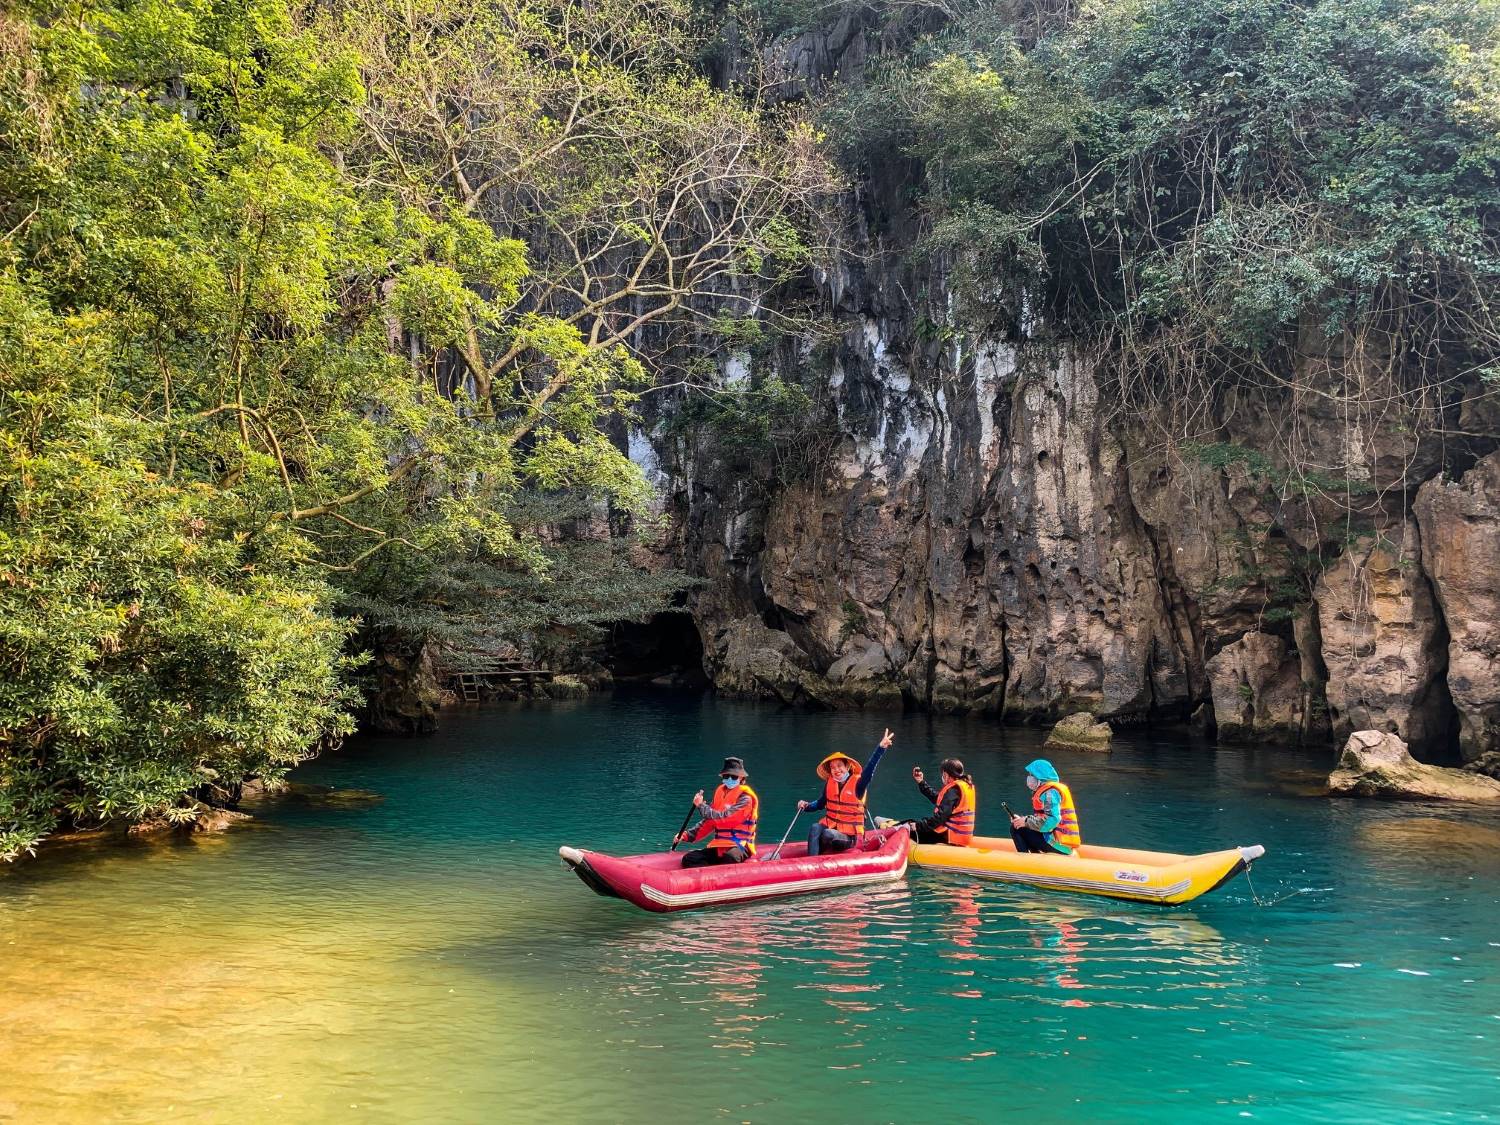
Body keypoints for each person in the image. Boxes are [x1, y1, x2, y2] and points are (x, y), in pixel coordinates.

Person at [797, 728, 895, 856]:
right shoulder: (830, 783)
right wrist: (806, 806)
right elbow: (820, 804)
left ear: (847, 767)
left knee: (827, 833)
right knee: (815, 827)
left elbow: (869, 770)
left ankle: (818, 857)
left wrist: (880, 748)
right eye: (832, 767)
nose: (836, 770)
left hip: (849, 837)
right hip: (832, 828)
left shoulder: (858, 784)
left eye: (839, 766)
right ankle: (811, 862)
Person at [676, 757, 759, 868]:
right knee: (690, 858)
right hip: (720, 845)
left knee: (730, 857)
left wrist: (701, 806)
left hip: (740, 845)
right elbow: (709, 822)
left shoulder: (745, 799)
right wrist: (686, 835)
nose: (730, 779)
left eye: (734, 777)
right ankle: (708, 876)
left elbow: (725, 819)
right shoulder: (720, 793)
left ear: (741, 778)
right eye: (726, 776)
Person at [1008, 758, 1080, 856]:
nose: (1029, 777)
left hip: (1057, 844)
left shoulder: (1050, 793)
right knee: (1019, 825)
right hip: (1059, 842)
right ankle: (1034, 856)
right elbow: (1043, 818)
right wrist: (1022, 820)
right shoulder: (1049, 791)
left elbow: (1053, 819)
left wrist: (1026, 822)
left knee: (1015, 828)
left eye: (1032, 775)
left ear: (1040, 776)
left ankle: (1025, 860)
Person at [906, 758, 977, 845]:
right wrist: (921, 782)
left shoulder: (953, 790)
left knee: (906, 827)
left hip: (949, 836)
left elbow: (939, 818)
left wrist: (918, 826)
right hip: (962, 836)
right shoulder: (966, 786)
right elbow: (939, 799)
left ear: (946, 775)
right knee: (914, 823)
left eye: (943, 774)